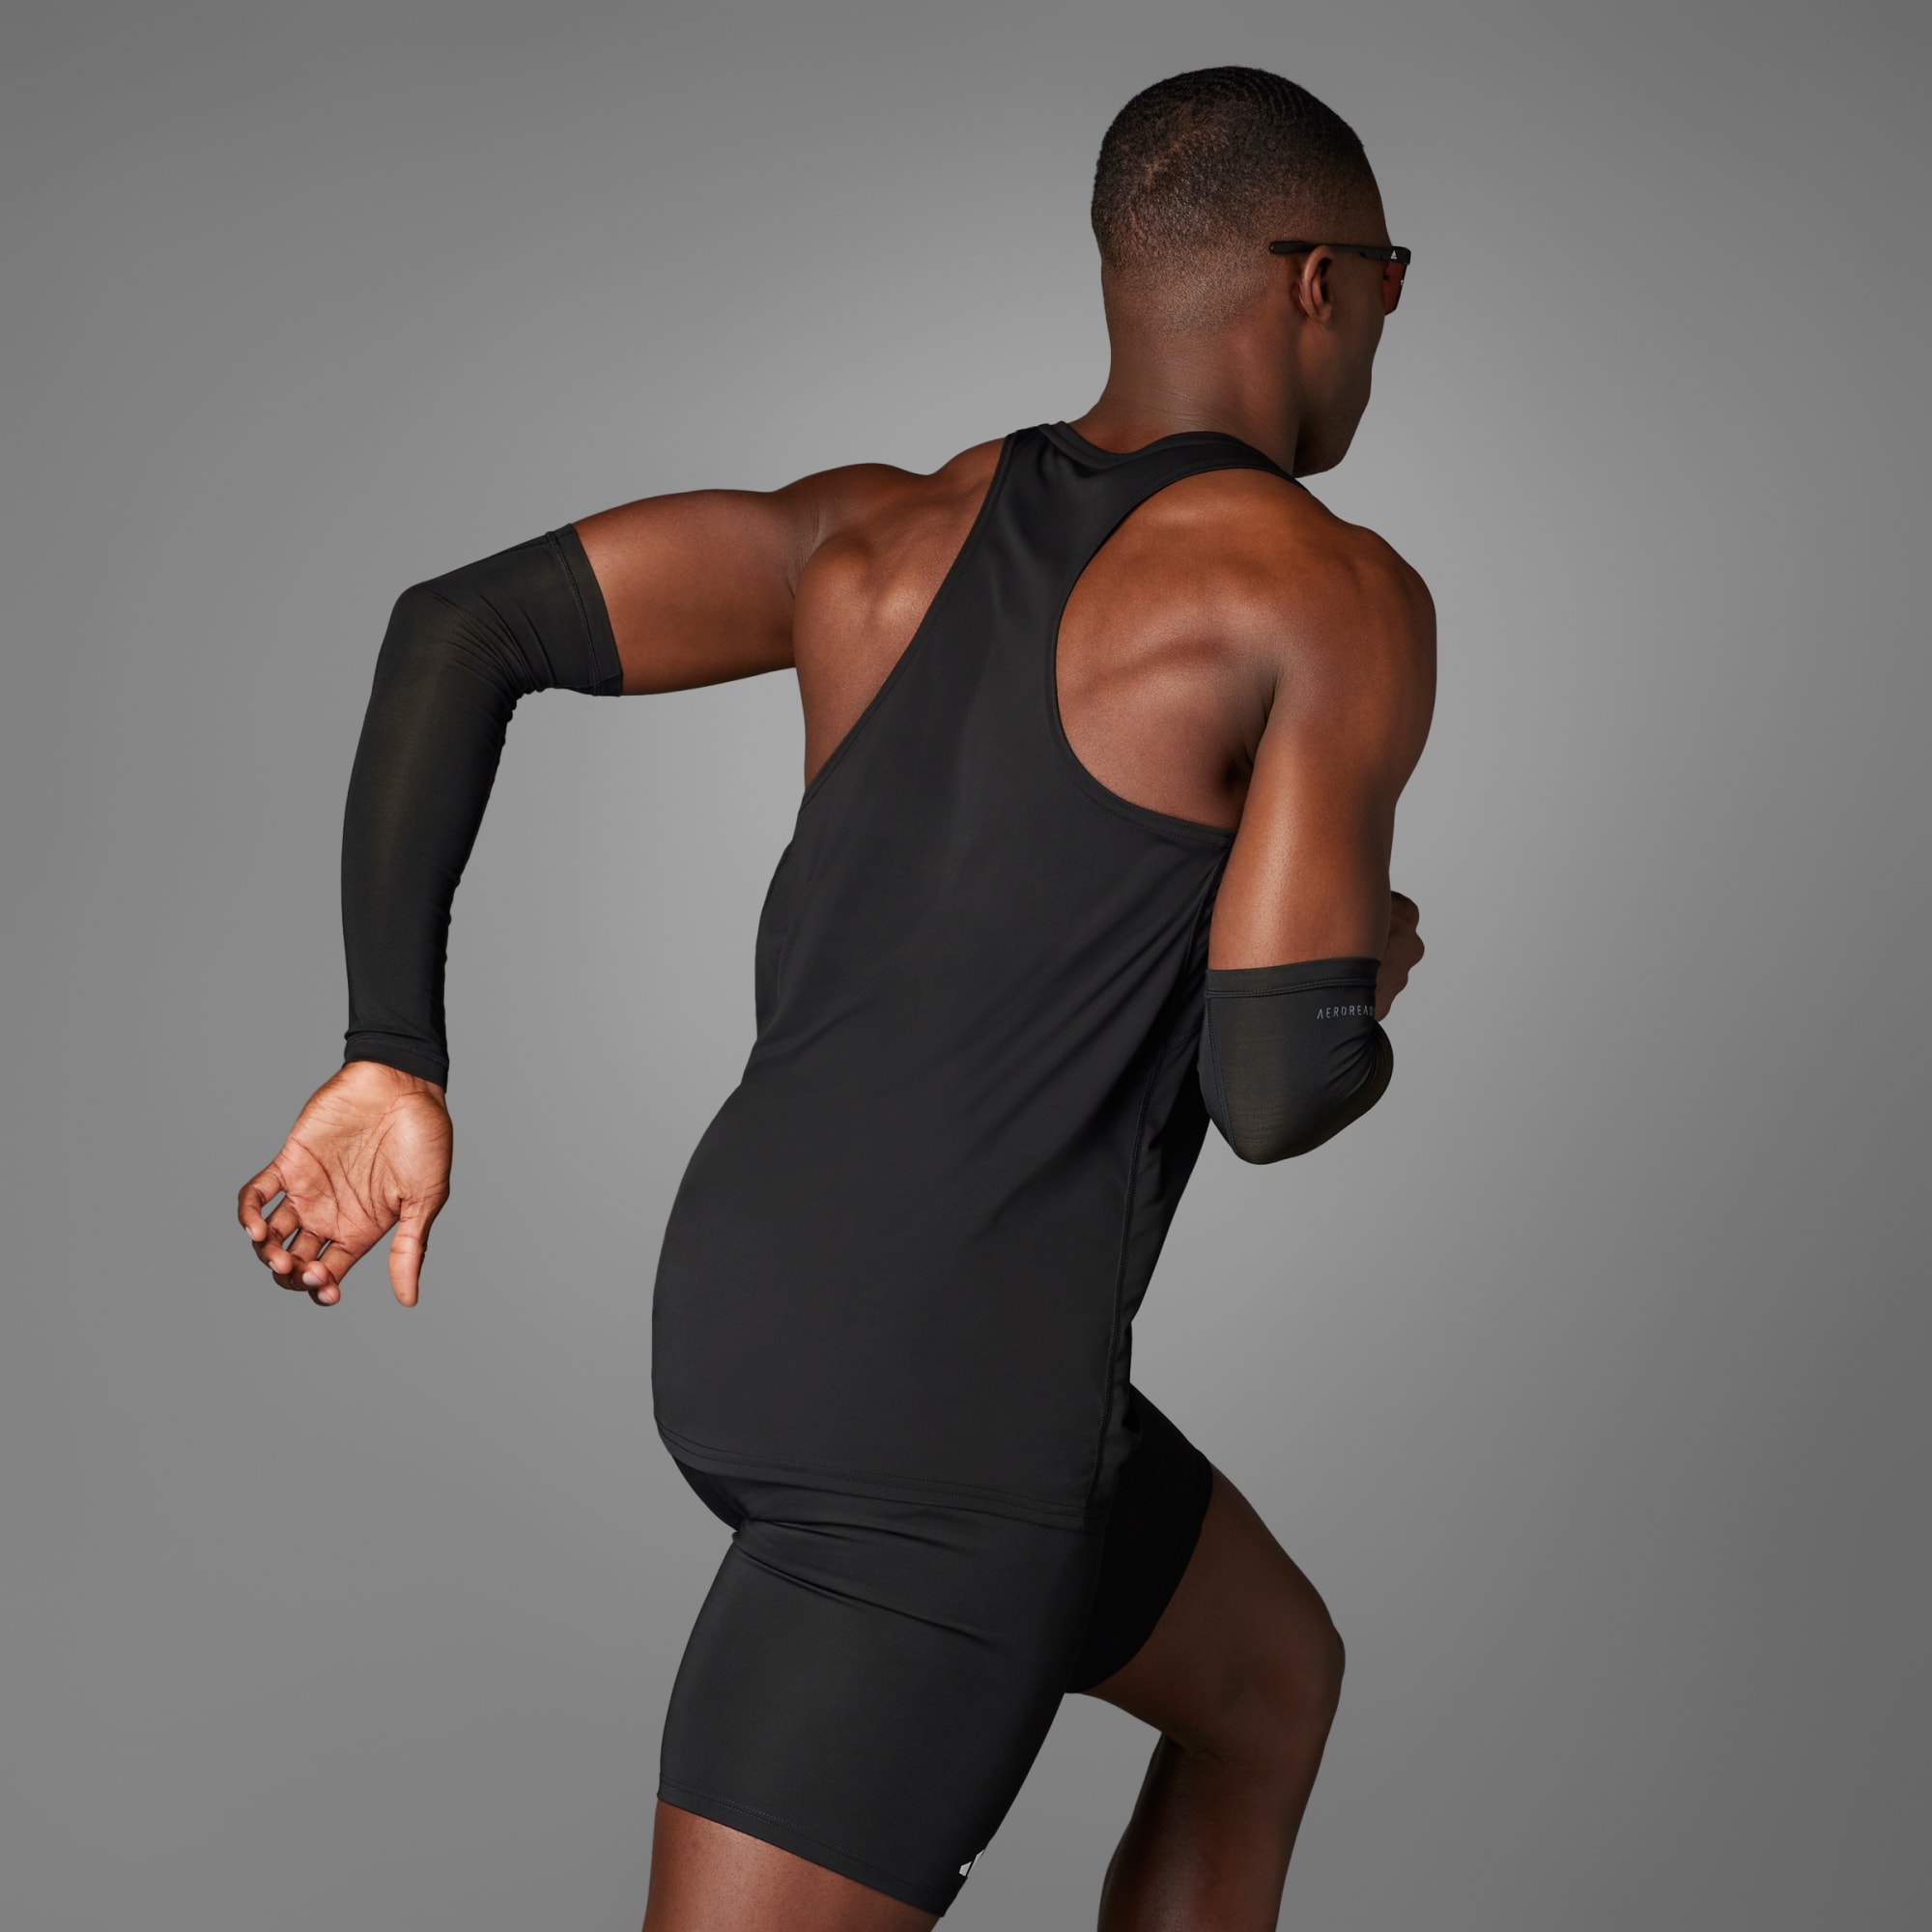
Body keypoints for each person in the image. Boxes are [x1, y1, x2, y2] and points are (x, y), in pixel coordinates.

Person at [236, 65, 1435, 1932]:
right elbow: (1278, 1085)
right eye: (1390, 280)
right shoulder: (1326, 591)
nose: (1385, 322)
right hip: (942, 1415)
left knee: (1268, 1682)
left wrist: (391, 1055)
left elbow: (459, 627)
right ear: (1316, 281)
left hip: (753, 1306)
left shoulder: (875, 537)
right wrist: (1361, 972)